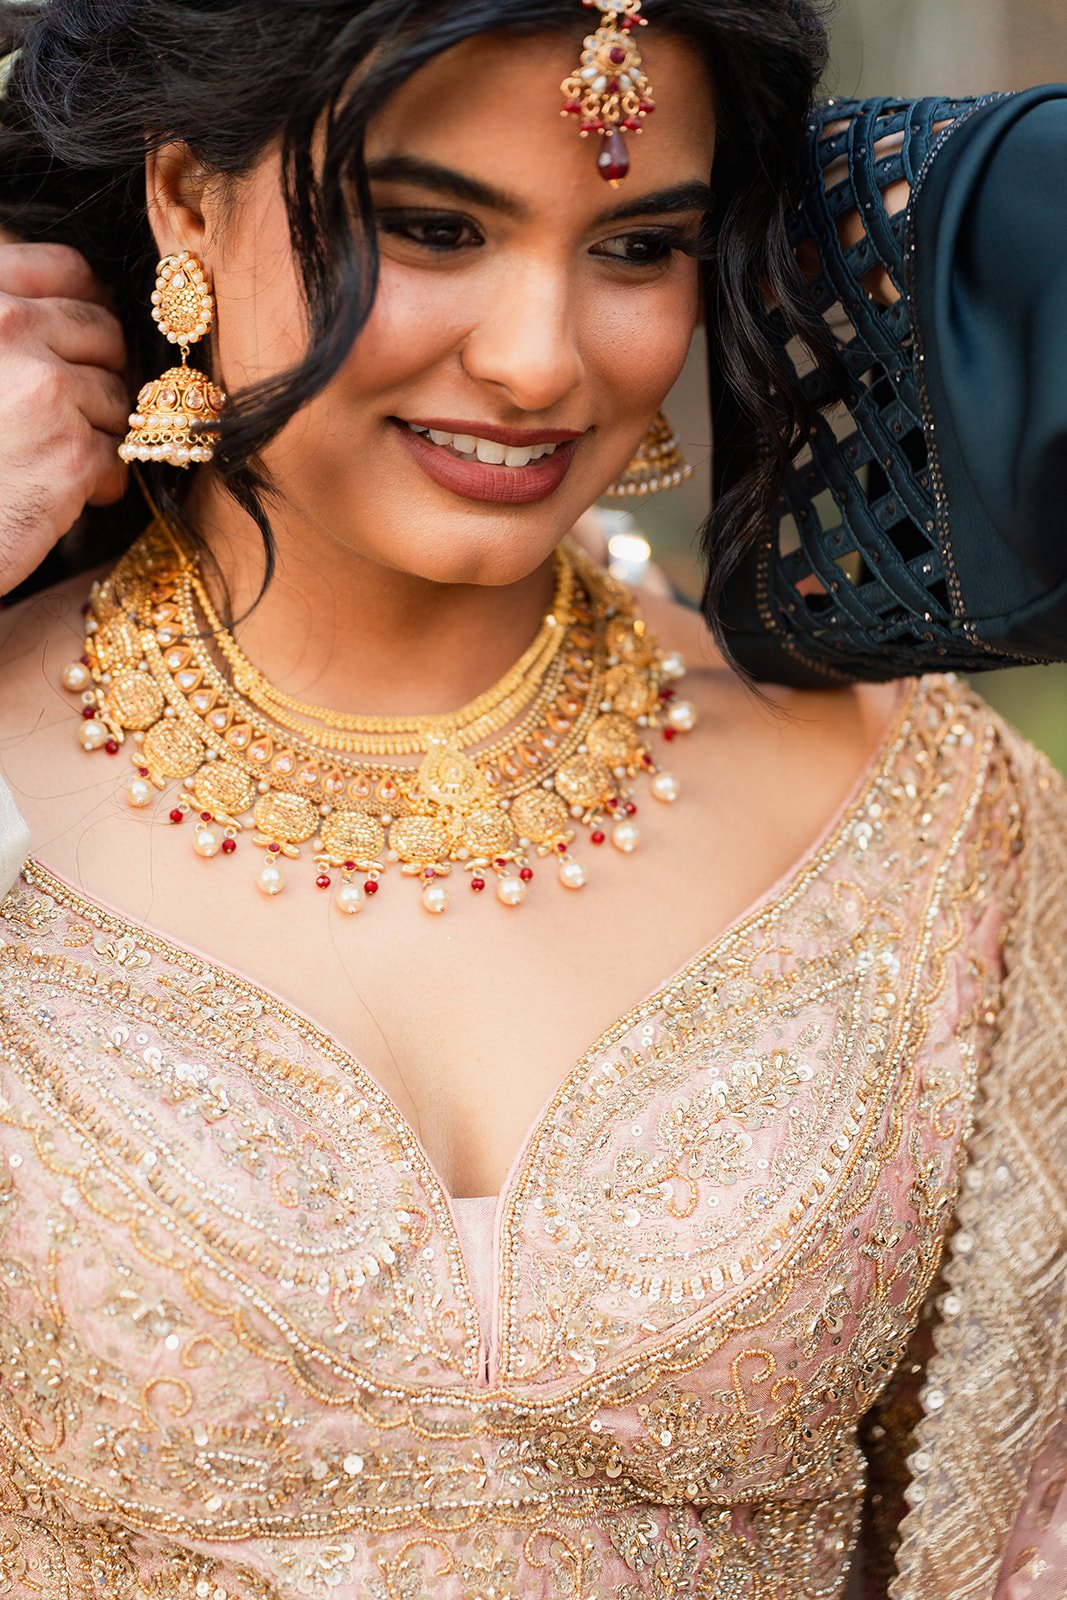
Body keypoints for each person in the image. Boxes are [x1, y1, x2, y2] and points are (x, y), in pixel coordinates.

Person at [0, 4, 1062, 1598]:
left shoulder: (917, 810)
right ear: (181, 199)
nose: (539, 357)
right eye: (432, 227)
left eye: (638, 247)